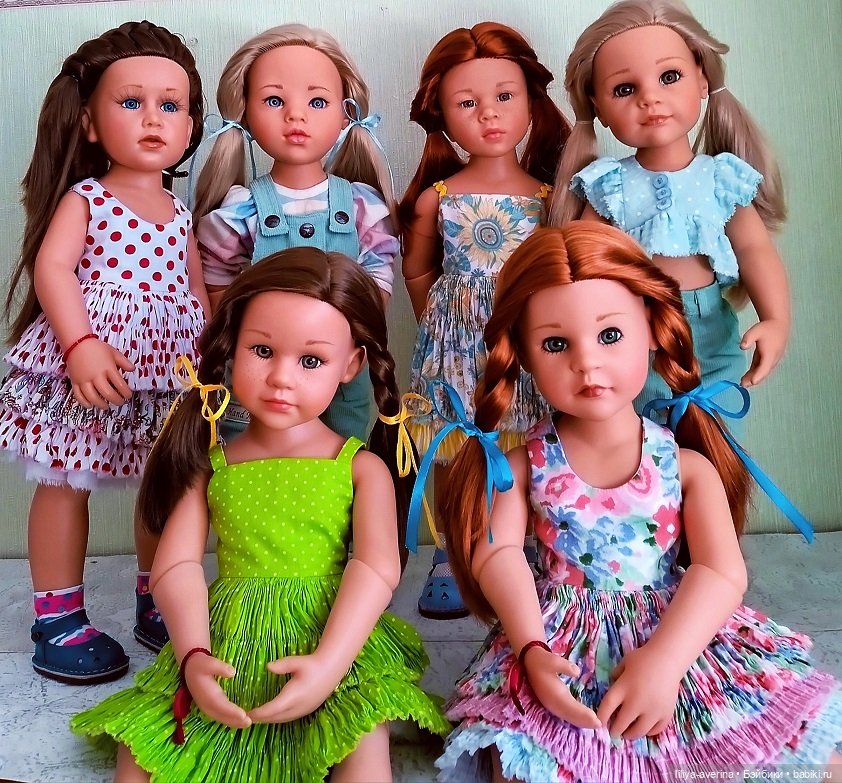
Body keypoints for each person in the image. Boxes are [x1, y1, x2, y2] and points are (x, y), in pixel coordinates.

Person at [434, 223, 841, 782]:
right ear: (523, 353)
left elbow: (721, 571)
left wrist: (666, 661)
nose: (587, 363)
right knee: (526, 766)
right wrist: (530, 647)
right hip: (558, 645)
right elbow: (499, 555)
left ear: (651, 328)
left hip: (677, 635)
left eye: (609, 335)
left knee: (793, 759)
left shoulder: (684, 465)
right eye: (556, 344)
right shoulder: (522, 467)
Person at [71, 248, 451, 782]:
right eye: (263, 350)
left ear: (351, 365)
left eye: (310, 361)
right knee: (143, 751)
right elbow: (175, 567)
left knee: (363, 738)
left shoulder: (359, 467)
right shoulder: (212, 465)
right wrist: (193, 654)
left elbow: (375, 567)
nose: (280, 378)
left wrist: (330, 663)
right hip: (226, 638)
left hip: (331, 633)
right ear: (232, 346)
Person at [0, 20, 208, 682]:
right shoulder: (88, 198)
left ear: (190, 124)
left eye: (171, 105)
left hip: (168, 372)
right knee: (65, 481)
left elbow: (196, 291)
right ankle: (57, 617)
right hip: (89, 363)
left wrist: (215, 354)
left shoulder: (180, 212)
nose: (153, 119)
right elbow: (53, 269)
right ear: (89, 123)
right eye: (131, 101)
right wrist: (80, 343)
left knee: (168, 484)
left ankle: (159, 595)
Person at [552, 0, 789, 435]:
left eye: (669, 76)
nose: (650, 98)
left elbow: (755, 249)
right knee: (640, 443)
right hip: (632, 334)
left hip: (711, 334)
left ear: (702, 78)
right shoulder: (610, 184)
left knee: (714, 439)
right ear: (597, 106)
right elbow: (579, 265)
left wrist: (775, 319)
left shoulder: (721, 178)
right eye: (624, 89)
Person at [399, 22, 571, 618]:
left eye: (504, 96)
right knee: (456, 446)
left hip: (527, 341)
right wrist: (438, 322)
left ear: (532, 103)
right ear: (442, 115)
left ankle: (529, 545)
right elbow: (418, 269)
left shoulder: (550, 199)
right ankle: (452, 553)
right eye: (466, 103)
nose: (489, 114)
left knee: (532, 442)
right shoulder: (439, 197)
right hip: (455, 345)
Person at [194, 23, 397, 442]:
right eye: (274, 100)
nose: (295, 115)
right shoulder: (242, 210)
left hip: (339, 377)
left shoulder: (360, 206)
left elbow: (376, 283)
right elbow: (219, 289)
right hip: (260, 376)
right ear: (245, 112)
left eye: (317, 101)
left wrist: (346, 338)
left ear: (346, 112)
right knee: (248, 457)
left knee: (341, 460)